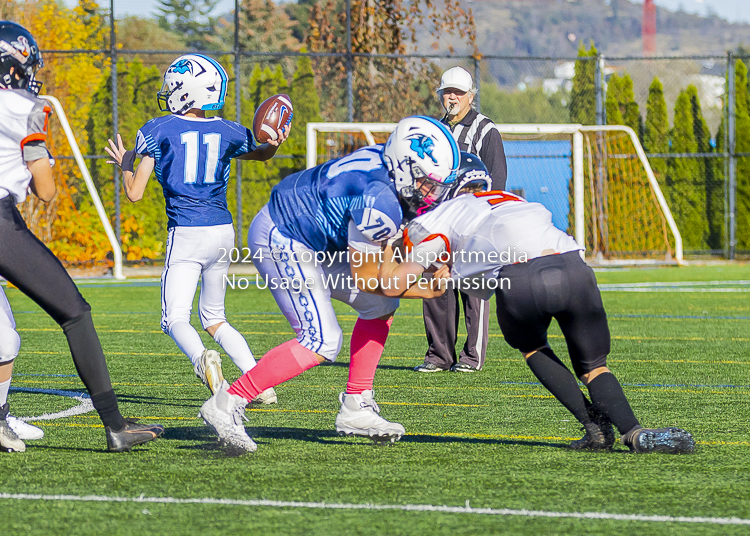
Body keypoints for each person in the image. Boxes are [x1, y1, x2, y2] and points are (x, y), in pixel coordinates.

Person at [197, 115, 460, 452]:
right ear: (405, 167)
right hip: (283, 235)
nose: (432, 193)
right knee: (321, 340)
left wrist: (432, 261)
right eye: (427, 183)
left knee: (380, 307)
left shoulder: (388, 172)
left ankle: (356, 406)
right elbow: (370, 278)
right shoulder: (378, 197)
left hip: (315, 240)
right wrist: (427, 287)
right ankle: (228, 402)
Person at [378, 176, 696, 454]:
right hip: (574, 266)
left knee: (534, 348)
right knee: (595, 367)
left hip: (522, 280)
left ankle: (594, 426)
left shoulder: (443, 215)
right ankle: (634, 432)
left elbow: (404, 277)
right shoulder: (512, 200)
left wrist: (412, 278)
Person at [0, 21, 163, 452]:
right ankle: (115, 426)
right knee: (74, 313)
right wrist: (40, 161)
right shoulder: (25, 108)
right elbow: (46, 191)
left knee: (3, 338)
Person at [106, 55, 287, 404]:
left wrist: (126, 163)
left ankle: (202, 360)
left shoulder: (159, 130)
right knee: (215, 317)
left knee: (175, 318)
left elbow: (134, 192)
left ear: (183, 91)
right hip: (222, 232)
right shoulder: (228, 130)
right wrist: (274, 143)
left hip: (186, 232)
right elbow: (262, 154)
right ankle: (261, 383)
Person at [416, 66, 508, 374]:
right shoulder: (434, 130)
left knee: (472, 290)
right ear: (440, 95)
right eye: (447, 92)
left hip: (472, 222)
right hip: (439, 222)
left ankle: (472, 357)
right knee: (435, 288)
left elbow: (497, 178)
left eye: (458, 92)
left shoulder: (485, 129)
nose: (452, 97)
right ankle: (439, 356)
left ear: (471, 95)